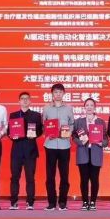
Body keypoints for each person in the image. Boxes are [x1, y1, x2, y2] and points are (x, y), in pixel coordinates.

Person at [42, 83, 75, 211]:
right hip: (50, 145)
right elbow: (43, 125)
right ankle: (51, 203)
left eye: (60, 92)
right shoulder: (46, 108)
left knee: (64, 175)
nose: (58, 94)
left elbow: (72, 124)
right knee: (50, 176)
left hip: (64, 145)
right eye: (55, 92)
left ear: (63, 94)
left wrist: (68, 132)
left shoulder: (69, 108)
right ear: (52, 94)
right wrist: (47, 133)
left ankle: (62, 202)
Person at [8, 91, 43, 210]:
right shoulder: (13, 115)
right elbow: (9, 132)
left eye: (27, 98)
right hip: (17, 150)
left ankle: (30, 202)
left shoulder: (36, 115)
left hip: (30, 150)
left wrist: (35, 134)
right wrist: (12, 136)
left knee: (30, 178)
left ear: (30, 101)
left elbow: (40, 131)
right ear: (19, 101)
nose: (25, 100)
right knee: (14, 177)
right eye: (22, 98)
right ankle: (13, 202)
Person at [73, 98, 108, 211]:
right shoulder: (78, 121)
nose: (89, 107)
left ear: (95, 107)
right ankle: (84, 202)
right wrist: (80, 142)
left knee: (94, 179)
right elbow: (74, 136)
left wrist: (101, 143)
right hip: (83, 153)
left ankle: (93, 202)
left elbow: (106, 139)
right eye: (87, 105)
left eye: (91, 105)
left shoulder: (100, 121)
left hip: (95, 153)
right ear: (84, 107)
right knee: (84, 179)